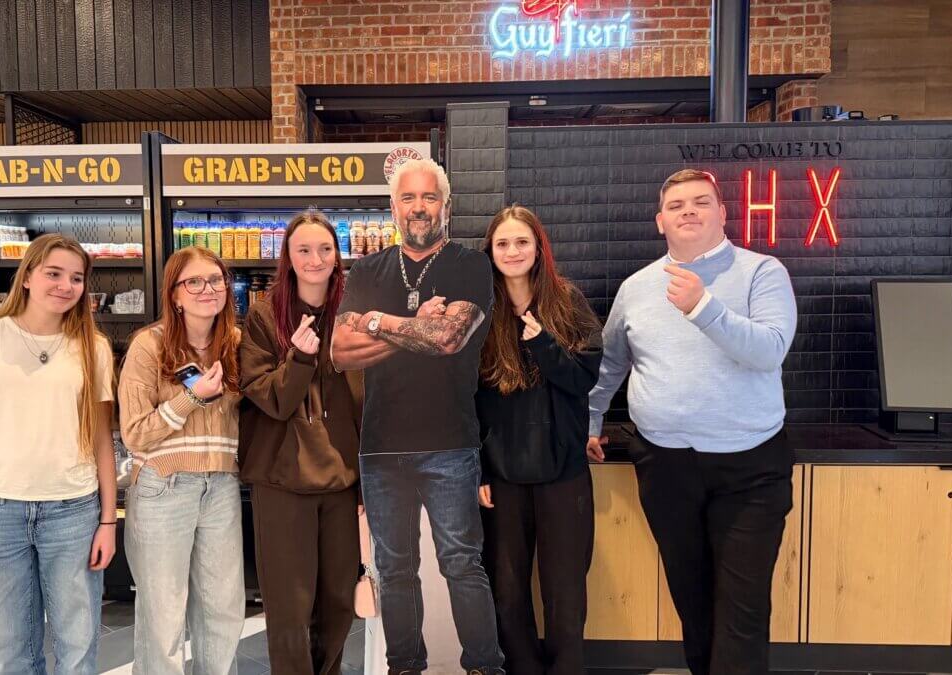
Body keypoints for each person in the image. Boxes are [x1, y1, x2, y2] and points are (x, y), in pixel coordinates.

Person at [587, 169, 798, 675]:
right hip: (665, 465)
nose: (688, 210)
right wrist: (590, 419)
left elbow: (770, 350)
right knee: (692, 597)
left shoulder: (762, 272)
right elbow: (611, 363)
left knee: (742, 608)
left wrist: (703, 306)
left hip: (751, 467)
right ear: (661, 220)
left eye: (701, 201)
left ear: (722, 214)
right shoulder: (637, 287)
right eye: (677, 204)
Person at [332, 157, 505, 675]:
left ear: (445, 205)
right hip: (381, 447)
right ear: (393, 207)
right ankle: (404, 667)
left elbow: (449, 338)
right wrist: (413, 326)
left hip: (451, 442)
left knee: (462, 564)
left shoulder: (470, 265)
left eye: (429, 197)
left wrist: (379, 322)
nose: (419, 207)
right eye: (408, 198)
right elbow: (341, 350)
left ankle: (484, 668)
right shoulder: (367, 269)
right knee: (395, 569)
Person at [0, 233, 117, 674]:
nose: (65, 285)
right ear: (27, 276)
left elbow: (102, 440)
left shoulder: (93, 347)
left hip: (74, 512)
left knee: (78, 647)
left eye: (77, 278)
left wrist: (108, 520)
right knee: (10, 652)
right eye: (54, 273)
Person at [475, 205, 602, 675]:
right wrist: (479, 469)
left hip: (563, 473)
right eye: (503, 243)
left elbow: (584, 379)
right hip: (502, 477)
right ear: (490, 251)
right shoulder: (480, 310)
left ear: (538, 247)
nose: (512, 251)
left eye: (521, 242)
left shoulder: (567, 302)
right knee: (506, 593)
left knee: (565, 592)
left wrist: (543, 343)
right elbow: (468, 398)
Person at [239, 210, 363, 675]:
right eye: (303, 250)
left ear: (338, 256)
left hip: (342, 480)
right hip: (281, 480)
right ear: (287, 258)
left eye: (324, 249)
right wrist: (301, 359)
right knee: (289, 609)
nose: (315, 259)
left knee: (337, 603)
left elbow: (371, 402)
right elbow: (272, 399)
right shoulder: (263, 317)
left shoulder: (355, 315)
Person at [118, 246, 245, 675]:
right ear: (175, 293)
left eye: (216, 280)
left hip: (222, 486)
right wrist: (191, 397)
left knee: (223, 610)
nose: (208, 289)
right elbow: (134, 431)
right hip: (162, 486)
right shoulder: (148, 346)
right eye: (195, 281)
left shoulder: (236, 344)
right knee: (162, 615)